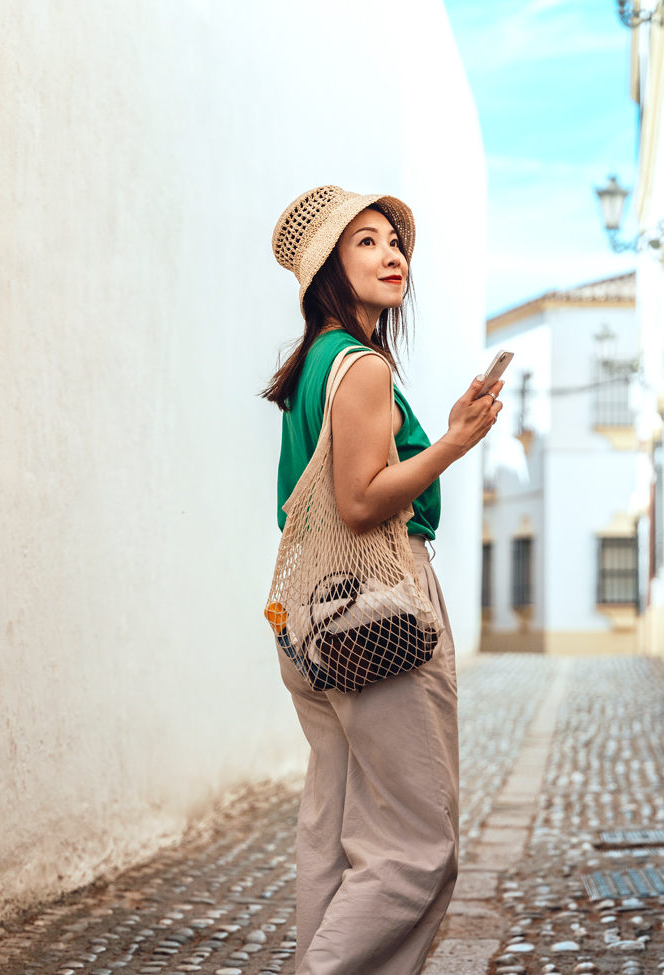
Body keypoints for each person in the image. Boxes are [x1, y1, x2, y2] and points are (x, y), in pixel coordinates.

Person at [262, 185, 504, 975]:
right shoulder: (360, 367)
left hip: (312, 623)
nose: (392, 252)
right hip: (377, 617)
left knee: (334, 839)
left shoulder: (316, 367)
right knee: (415, 850)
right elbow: (362, 501)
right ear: (329, 269)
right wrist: (455, 441)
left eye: (394, 239)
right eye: (364, 242)